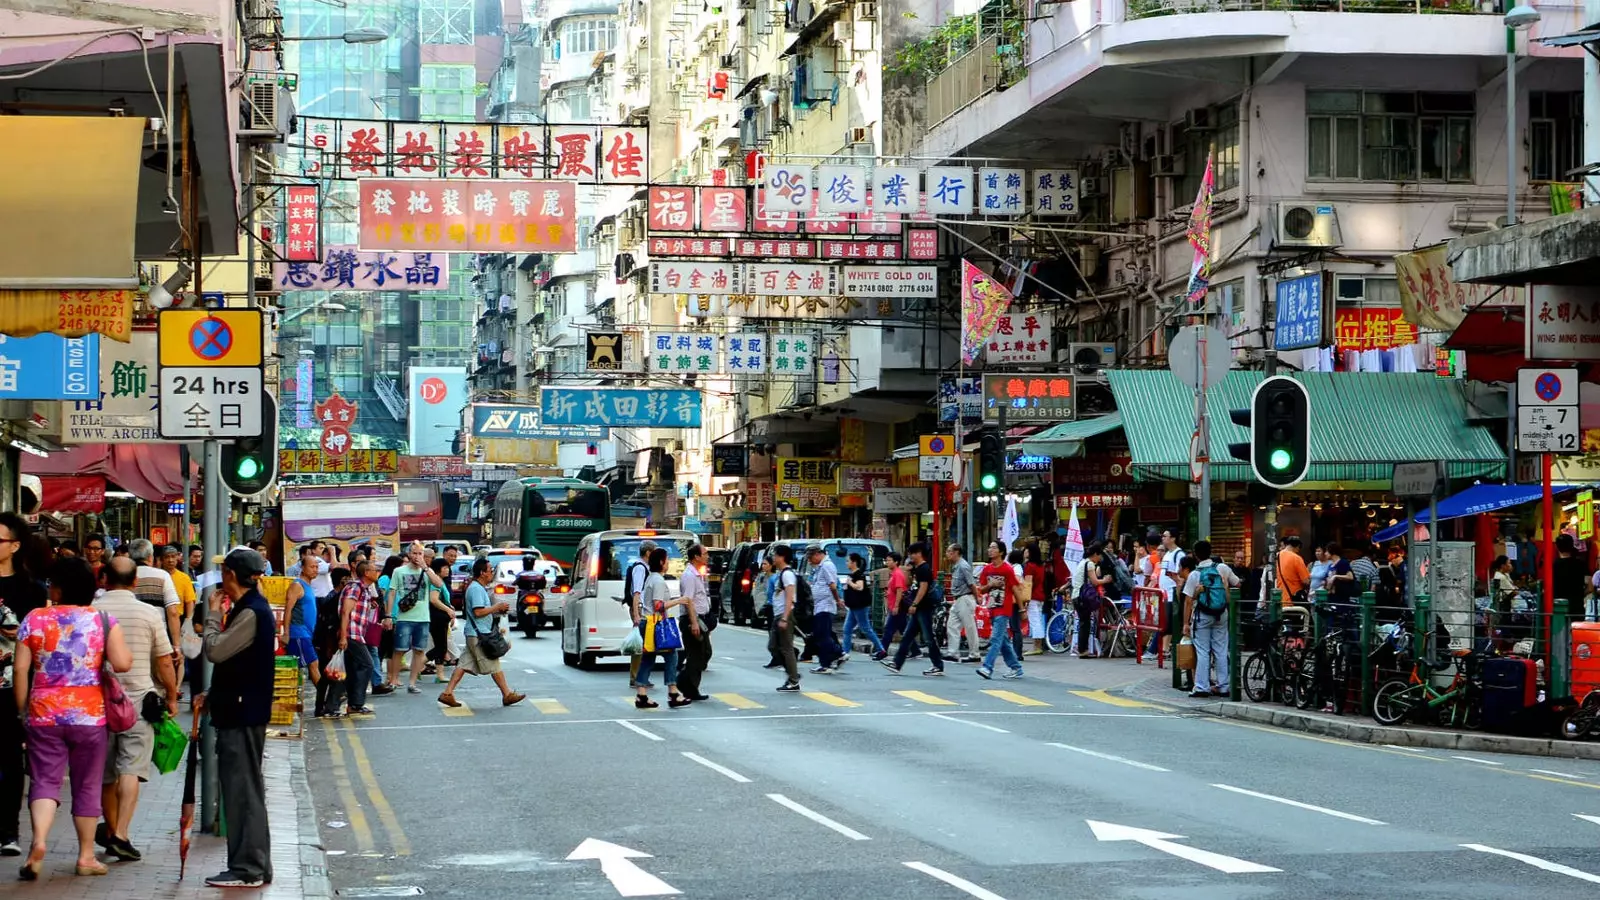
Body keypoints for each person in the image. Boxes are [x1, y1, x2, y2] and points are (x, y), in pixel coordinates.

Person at [13, 556, 133, 879]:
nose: (49, 587)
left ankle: (38, 842)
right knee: (87, 785)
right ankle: (86, 856)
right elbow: (122, 663)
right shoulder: (103, 620)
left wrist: (22, 709)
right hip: (89, 717)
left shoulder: (34, 619)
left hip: (44, 714)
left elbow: (21, 669)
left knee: (44, 782)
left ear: (60, 588)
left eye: (52, 583)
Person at [195, 548, 276, 888]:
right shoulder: (248, 608)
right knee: (243, 789)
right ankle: (251, 864)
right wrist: (212, 696)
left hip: (243, 714)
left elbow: (216, 650)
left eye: (222, 571)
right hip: (238, 708)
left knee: (242, 790)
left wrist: (212, 615)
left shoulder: (251, 612)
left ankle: (248, 868)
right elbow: (237, 664)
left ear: (230, 574)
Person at [93, 558, 178, 862]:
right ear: (134, 583)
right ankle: (121, 834)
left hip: (99, 702)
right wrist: (171, 696)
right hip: (139, 703)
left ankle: (112, 827)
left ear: (105, 579)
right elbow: (165, 660)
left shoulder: (92, 611)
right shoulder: (148, 613)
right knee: (130, 768)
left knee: (105, 773)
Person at [0, 513, 47, 858]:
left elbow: (40, 642)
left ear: (15, 546)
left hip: (11, 687)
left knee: (10, 759)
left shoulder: (31, 589)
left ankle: (8, 830)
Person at [438, 558, 525, 709]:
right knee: (494, 664)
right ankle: (507, 694)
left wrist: (496, 610)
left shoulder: (477, 588)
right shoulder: (476, 589)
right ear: (482, 573)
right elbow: (478, 612)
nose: (491, 573)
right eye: (490, 570)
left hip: (476, 633)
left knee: (464, 664)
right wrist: (496, 607)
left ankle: (447, 693)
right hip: (479, 635)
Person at [631, 547, 692, 708]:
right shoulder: (657, 580)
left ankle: (641, 694)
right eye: (667, 560)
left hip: (649, 623)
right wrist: (679, 600)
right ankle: (673, 692)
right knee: (671, 656)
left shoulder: (652, 578)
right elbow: (658, 605)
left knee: (648, 658)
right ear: (661, 562)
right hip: (656, 624)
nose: (669, 563)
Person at [384, 543, 447, 695]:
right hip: (404, 617)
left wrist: (426, 567)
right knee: (399, 649)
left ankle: (412, 683)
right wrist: (388, 615)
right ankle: (393, 680)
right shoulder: (399, 571)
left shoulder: (427, 571)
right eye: (414, 553)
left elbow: (439, 583)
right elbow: (391, 593)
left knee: (419, 650)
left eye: (420, 553)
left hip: (423, 617)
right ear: (409, 554)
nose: (417, 556)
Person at [1182, 540, 1238, 699]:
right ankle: (1223, 686)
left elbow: (1188, 601)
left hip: (1203, 615)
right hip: (1221, 613)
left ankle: (1201, 687)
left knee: (1203, 651)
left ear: (1195, 555)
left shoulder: (1195, 574)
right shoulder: (1222, 568)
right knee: (1221, 650)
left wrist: (1186, 623)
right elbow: (1238, 583)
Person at [882, 542, 944, 676]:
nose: (910, 556)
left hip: (924, 608)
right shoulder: (918, 568)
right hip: (919, 608)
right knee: (907, 636)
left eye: (912, 553)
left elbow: (923, 588)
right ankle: (897, 663)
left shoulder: (924, 569)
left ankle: (937, 665)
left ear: (919, 553)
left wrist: (914, 604)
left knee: (928, 637)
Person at [338, 561, 382, 716]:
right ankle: (356, 703)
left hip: (357, 634)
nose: (378, 572)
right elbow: (345, 612)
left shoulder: (364, 589)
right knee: (367, 665)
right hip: (351, 634)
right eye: (375, 570)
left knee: (353, 669)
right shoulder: (355, 587)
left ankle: (352, 704)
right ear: (367, 573)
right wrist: (343, 636)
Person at [976, 540, 1024, 680]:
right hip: (992, 608)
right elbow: (981, 589)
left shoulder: (1007, 569)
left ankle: (987, 667)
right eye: (989, 547)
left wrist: (1021, 609)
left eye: (993, 548)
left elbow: (1016, 589)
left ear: (1001, 552)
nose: (990, 550)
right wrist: (991, 584)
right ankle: (1016, 667)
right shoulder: (987, 569)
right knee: (1003, 640)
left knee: (995, 638)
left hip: (1004, 608)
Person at [280, 548, 323, 696]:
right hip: (298, 632)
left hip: (306, 633)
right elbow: (288, 609)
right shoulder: (297, 585)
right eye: (312, 567)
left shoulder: (309, 586)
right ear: (302, 568)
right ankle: (326, 697)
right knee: (313, 663)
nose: (315, 570)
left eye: (317, 567)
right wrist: (286, 632)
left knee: (297, 668)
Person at [675, 544, 713, 701]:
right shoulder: (689, 576)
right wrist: (694, 623)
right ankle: (686, 685)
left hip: (699, 618)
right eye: (705, 553)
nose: (707, 556)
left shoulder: (697, 574)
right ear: (696, 557)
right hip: (692, 620)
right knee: (696, 656)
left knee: (703, 654)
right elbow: (688, 600)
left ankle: (688, 685)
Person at [804, 543, 844, 674]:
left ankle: (833, 658)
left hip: (825, 605)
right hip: (819, 605)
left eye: (810, 558)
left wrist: (837, 600)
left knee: (823, 636)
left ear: (817, 554)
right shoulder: (820, 567)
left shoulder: (827, 566)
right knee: (822, 635)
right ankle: (831, 658)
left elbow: (832, 586)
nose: (810, 561)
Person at [770, 545, 803, 692]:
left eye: (775, 555)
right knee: (773, 646)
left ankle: (793, 679)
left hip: (785, 615)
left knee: (786, 648)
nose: (773, 558)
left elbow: (790, 596)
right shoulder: (782, 573)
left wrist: (784, 617)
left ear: (781, 557)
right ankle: (792, 672)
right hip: (779, 614)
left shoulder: (787, 574)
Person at [841, 553, 885, 661]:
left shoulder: (858, 575)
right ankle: (844, 652)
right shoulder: (852, 574)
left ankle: (881, 649)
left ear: (854, 562)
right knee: (847, 629)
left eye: (848, 561)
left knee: (866, 628)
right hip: (853, 606)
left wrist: (850, 583)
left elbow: (860, 587)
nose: (846, 563)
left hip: (860, 606)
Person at [944, 544, 978, 664]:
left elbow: (971, 583)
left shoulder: (963, 566)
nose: (947, 554)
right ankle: (952, 652)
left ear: (956, 552)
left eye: (949, 551)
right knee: (952, 625)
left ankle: (974, 653)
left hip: (965, 598)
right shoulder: (956, 566)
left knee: (969, 627)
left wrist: (977, 597)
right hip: (958, 599)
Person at [423, 557, 456, 679]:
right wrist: (448, 609)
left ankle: (440, 674)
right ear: (437, 570)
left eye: (448, 567)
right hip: (437, 617)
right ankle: (419, 665)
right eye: (444, 568)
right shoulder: (435, 582)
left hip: (441, 616)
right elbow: (434, 599)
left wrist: (450, 607)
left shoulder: (440, 581)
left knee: (441, 646)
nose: (447, 570)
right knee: (440, 647)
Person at [881, 552, 913, 655]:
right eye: (887, 560)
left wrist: (896, 606)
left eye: (889, 560)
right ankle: (915, 650)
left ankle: (882, 651)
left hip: (897, 606)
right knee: (903, 628)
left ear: (896, 562)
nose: (887, 562)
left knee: (889, 629)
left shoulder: (898, 574)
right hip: (894, 605)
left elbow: (900, 590)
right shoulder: (894, 573)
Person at [1024, 544, 1048, 656]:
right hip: (1040, 594)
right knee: (1038, 619)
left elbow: (1029, 583)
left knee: (1034, 621)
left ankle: (1036, 646)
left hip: (1033, 595)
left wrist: (1025, 597)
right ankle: (1038, 644)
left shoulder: (1030, 566)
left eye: (1027, 550)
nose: (1025, 552)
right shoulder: (1040, 565)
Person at [1276, 536, 1311, 606]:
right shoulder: (1296, 558)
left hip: (1280, 598)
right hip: (1294, 599)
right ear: (1297, 546)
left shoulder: (1278, 556)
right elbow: (1306, 581)